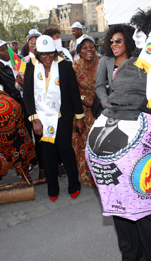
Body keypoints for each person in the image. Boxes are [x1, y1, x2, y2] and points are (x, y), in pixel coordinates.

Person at [87, 9, 151, 261]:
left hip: (106, 154)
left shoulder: (126, 66)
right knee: (150, 226)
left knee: (126, 226)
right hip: (137, 163)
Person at [23, 35, 85, 201]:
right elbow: (27, 95)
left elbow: (74, 92)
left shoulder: (65, 66)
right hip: (41, 118)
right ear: (38, 54)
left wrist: (79, 117)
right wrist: (33, 119)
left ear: (55, 53)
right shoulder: (30, 67)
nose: (47, 58)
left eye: (50, 54)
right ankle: (53, 187)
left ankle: (74, 184)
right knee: (47, 153)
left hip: (62, 116)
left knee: (65, 150)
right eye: (43, 54)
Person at [72, 35, 100, 187]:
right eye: (85, 48)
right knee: (85, 143)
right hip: (82, 111)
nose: (89, 50)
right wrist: (83, 98)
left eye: (91, 47)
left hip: (101, 108)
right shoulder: (74, 66)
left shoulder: (102, 63)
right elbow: (71, 89)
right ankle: (88, 176)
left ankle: (103, 174)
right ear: (79, 51)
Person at [95, 24, 135, 109]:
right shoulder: (105, 61)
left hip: (134, 108)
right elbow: (99, 86)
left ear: (128, 41)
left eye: (118, 41)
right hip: (113, 107)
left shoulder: (137, 61)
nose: (114, 44)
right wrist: (105, 102)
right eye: (111, 42)